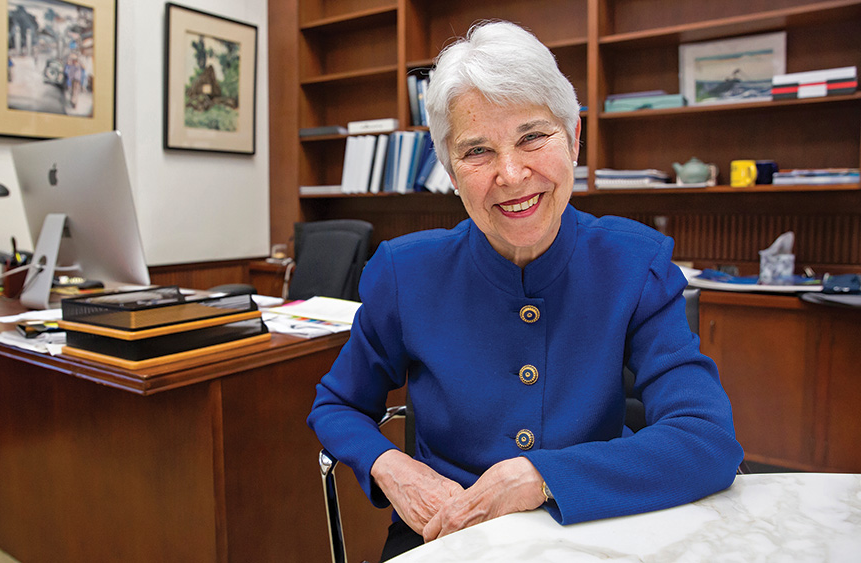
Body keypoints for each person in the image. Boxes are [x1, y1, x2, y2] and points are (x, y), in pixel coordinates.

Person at [307, 20, 743, 561]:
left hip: (587, 522)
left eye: (533, 137)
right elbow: (338, 403)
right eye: (477, 151)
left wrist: (542, 476)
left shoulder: (634, 263)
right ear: (449, 168)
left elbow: (706, 440)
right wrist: (390, 466)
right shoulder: (405, 272)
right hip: (447, 534)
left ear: (574, 137)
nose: (511, 175)